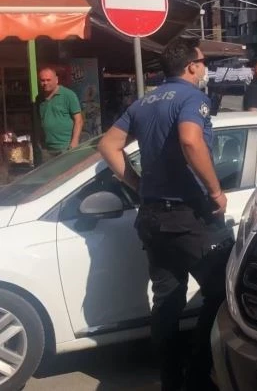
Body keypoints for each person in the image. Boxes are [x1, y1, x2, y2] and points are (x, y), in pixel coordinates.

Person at [98, 38, 233, 391]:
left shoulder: (144, 102)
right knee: (222, 293)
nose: (205, 69)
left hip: (152, 216)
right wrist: (215, 191)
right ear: (191, 66)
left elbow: (107, 145)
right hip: (189, 213)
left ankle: (172, 381)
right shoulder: (192, 98)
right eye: (203, 63)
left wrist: (137, 184)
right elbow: (190, 140)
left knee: (166, 300)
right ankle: (198, 376)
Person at [35, 67, 83, 162]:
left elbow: (79, 120)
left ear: (56, 80)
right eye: (42, 80)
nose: (45, 83)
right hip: (47, 149)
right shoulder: (39, 98)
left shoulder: (68, 95)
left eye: (48, 80)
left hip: (65, 147)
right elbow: (39, 120)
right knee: (49, 172)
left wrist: (74, 142)